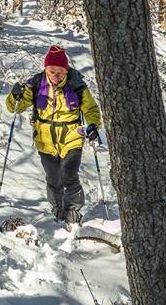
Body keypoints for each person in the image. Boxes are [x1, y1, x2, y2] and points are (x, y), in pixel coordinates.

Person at [6, 45, 101, 226]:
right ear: (46, 69)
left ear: (66, 70)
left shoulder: (76, 85)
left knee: (69, 175)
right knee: (53, 177)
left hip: (71, 136)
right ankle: (58, 210)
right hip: (45, 139)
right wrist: (14, 96)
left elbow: (91, 109)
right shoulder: (35, 84)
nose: (56, 76)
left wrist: (93, 126)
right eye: (52, 71)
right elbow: (14, 107)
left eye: (60, 72)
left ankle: (73, 211)